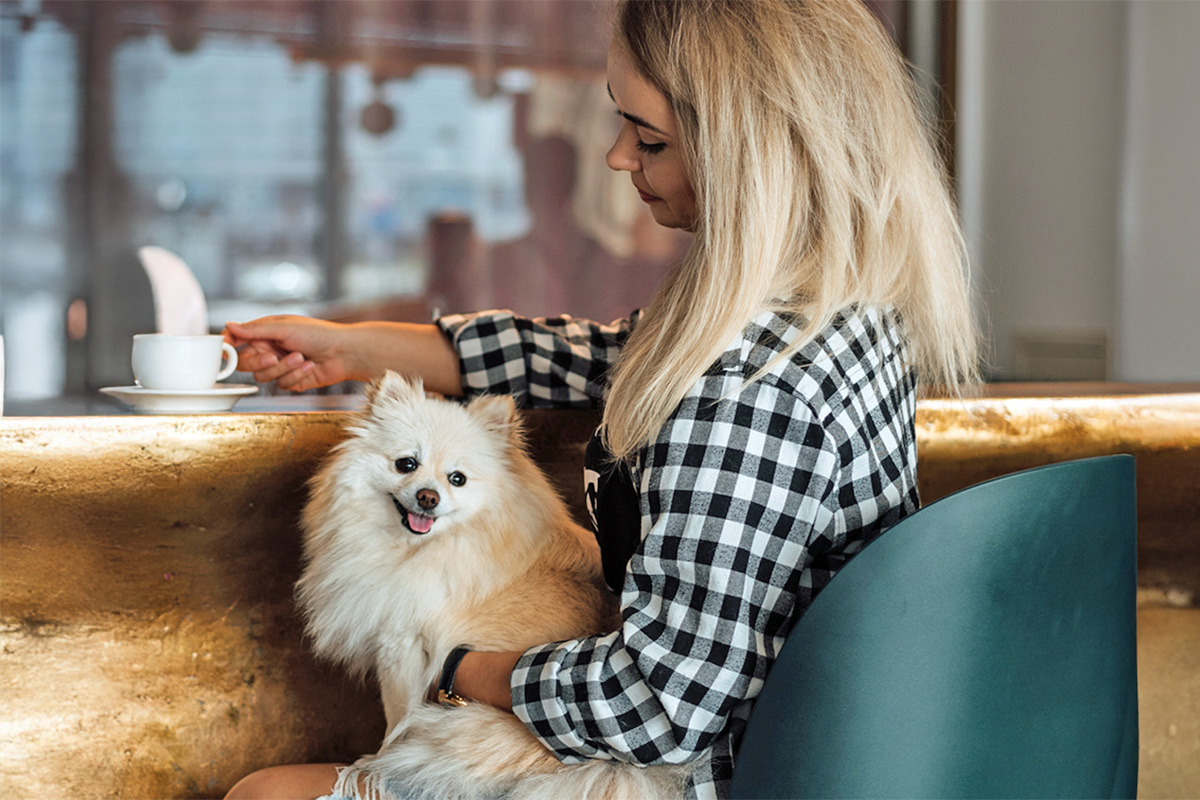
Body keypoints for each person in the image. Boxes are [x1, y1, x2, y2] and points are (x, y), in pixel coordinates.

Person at [223, 1, 978, 798]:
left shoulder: (744, 394)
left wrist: (462, 672)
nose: (619, 157)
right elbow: (605, 355)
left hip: (708, 779)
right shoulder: (843, 314)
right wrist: (355, 348)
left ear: (753, 152)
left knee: (266, 794)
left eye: (649, 138)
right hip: (820, 757)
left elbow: (658, 707)